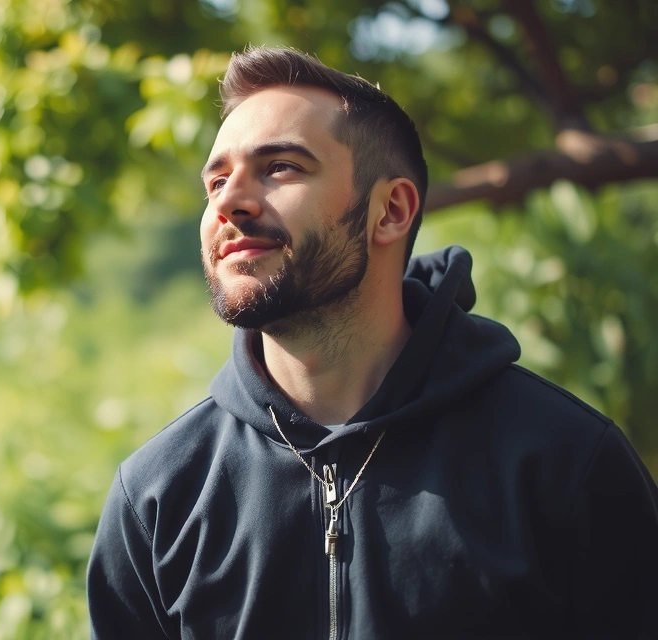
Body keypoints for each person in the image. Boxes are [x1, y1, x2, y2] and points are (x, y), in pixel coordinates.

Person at [86, 46, 658, 639]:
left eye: (280, 167)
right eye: (217, 181)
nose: (229, 201)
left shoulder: (566, 463)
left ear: (390, 211)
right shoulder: (157, 495)